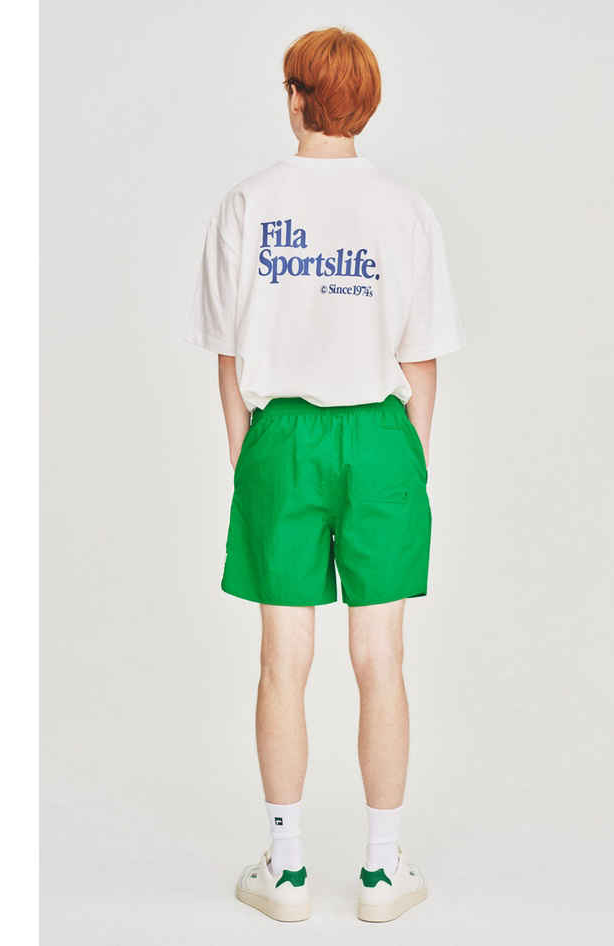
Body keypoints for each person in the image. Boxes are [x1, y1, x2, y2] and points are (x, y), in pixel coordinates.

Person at [185, 27, 465, 923]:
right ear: (365, 105)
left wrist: (250, 459)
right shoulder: (405, 209)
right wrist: (408, 463)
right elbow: (422, 362)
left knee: (283, 659)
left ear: (295, 96)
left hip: (283, 438)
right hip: (381, 436)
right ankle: (382, 874)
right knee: (382, 657)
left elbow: (229, 359)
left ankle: (288, 869)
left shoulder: (247, 203)